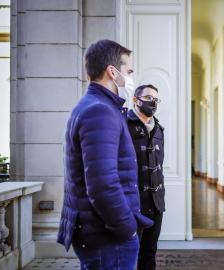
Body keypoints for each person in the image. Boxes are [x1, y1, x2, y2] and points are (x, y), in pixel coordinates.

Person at [57, 39, 153, 270]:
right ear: (112, 71)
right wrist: (127, 229)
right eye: (128, 71)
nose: (130, 77)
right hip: (108, 237)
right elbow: (102, 184)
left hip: (100, 232)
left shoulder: (92, 106)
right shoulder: (100, 111)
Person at [127, 84, 165, 270]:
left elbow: (159, 167)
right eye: (149, 98)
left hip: (155, 204)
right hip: (132, 205)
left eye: (156, 100)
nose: (153, 103)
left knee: (149, 254)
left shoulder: (159, 129)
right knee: (128, 255)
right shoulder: (123, 124)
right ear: (136, 100)